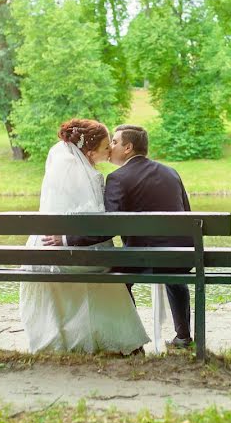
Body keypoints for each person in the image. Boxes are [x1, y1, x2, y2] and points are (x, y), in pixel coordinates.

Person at [44, 124, 194, 350]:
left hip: (141, 259)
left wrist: (66, 239)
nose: (110, 146)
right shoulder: (171, 172)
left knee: (117, 279)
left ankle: (131, 341)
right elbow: (187, 215)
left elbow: (105, 227)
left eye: (114, 142)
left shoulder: (118, 178)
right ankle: (183, 337)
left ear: (128, 147)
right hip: (181, 258)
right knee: (175, 276)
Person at [19, 119, 150, 354]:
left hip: (43, 253)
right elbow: (99, 226)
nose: (110, 149)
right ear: (90, 152)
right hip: (73, 257)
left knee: (103, 263)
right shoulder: (91, 177)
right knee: (108, 266)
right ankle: (122, 340)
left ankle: (67, 338)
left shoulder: (63, 166)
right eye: (105, 146)